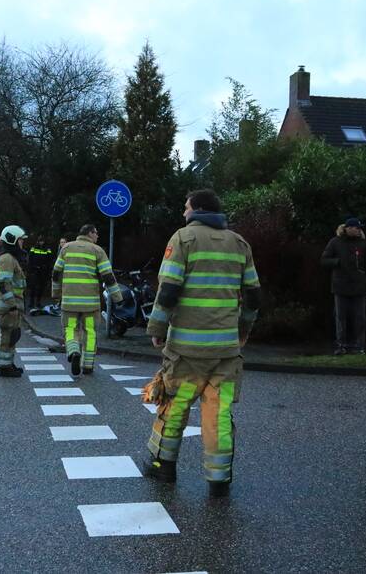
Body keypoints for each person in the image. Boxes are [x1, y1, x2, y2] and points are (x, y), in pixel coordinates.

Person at [143, 189, 260, 498]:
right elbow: (253, 295)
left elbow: (168, 289)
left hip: (186, 349)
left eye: (186, 207)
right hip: (225, 350)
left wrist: (156, 326)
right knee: (218, 414)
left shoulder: (183, 238)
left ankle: (162, 467)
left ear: (197, 209)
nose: (183, 213)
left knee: (175, 406)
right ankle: (218, 480)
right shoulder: (240, 243)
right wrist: (244, 328)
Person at [51, 224, 121, 375]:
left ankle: (73, 351)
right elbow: (108, 276)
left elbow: (56, 273)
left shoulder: (66, 248)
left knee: (70, 329)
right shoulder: (97, 250)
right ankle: (88, 365)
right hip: (90, 304)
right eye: (96, 233)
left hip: (69, 302)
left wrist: (56, 294)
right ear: (90, 233)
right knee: (90, 331)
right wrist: (117, 297)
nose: (98, 236)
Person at [321, 216, 366, 355]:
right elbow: (324, 260)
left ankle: (359, 346)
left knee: (360, 318)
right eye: (357, 227)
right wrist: (338, 262)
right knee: (340, 317)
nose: (359, 230)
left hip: (359, 287)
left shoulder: (363, 244)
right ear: (348, 228)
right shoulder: (335, 242)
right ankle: (340, 345)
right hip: (340, 286)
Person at [0, 225, 29, 377]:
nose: (22, 243)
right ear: (13, 240)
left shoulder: (10, 258)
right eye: (21, 240)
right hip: (9, 306)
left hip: (13, 305)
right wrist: (12, 306)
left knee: (12, 335)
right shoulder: (7, 259)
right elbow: (4, 284)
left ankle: (8, 363)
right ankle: (4, 367)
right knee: (8, 336)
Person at [26, 236, 54, 309]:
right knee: (33, 287)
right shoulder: (34, 248)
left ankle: (38, 302)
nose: (41, 242)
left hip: (43, 271)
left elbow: (50, 259)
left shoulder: (47, 249)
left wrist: (47, 268)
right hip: (34, 270)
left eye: (42, 241)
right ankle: (31, 302)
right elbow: (30, 258)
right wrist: (30, 269)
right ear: (38, 241)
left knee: (41, 287)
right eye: (40, 241)